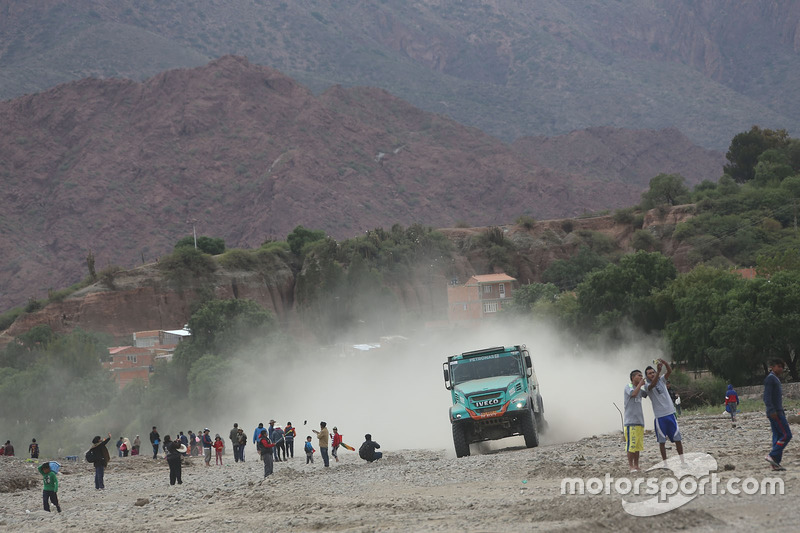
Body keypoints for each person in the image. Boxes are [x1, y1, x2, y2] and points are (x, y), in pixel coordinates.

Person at [645, 359, 684, 460]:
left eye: (653, 372)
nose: (652, 374)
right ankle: (665, 462)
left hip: (670, 413)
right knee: (662, 442)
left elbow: (669, 371)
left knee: (677, 439)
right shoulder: (646, 386)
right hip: (659, 416)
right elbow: (652, 385)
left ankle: (682, 460)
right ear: (646, 376)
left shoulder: (662, 380)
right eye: (649, 373)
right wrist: (658, 371)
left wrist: (665, 363)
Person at [764, 359, 792, 471]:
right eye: (778, 366)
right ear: (772, 367)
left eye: (782, 367)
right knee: (786, 435)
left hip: (777, 411)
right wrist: (772, 410)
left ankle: (775, 463)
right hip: (776, 413)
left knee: (777, 436)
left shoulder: (775, 379)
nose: (781, 369)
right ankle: (772, 455)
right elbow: (767, 397)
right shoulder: (771, 379)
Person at [624, 370, 648, 472]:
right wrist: (640, 385)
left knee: (638, 446)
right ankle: (631, 466)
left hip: (639, 421)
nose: (641, 377)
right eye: (639, 376)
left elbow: (646, 394)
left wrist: (646, 385)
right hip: (631, 422)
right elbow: (633, 393)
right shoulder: (628, 386)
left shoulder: (639, 390)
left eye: (642, 376)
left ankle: (637, 465)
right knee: (631, 445)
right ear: (633, 377)